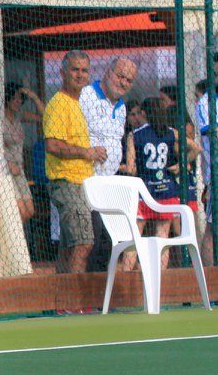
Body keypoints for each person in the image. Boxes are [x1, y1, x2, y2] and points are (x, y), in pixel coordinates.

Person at [43, 50, 104, 274]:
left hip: (81, 183)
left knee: (69, 246)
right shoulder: (59, 104)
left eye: (84, 70)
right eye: (75, 69)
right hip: (68, 182)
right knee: (83, 243)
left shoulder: (75, 103)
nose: (80, 75)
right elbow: (52, 145)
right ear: (62, 73)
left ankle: (60, 293)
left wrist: (92, 153)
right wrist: (86, 153)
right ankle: (75, 295)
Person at [121, 98, 198, 270]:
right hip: (167, 191)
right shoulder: (170, 132)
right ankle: (160, 278)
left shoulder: (135, 135)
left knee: (135, 236)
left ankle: (126, 275)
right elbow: (196, 148)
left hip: (145, 191)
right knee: (163, 237)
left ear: (144, 113)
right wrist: (182, 164)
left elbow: (131, 169)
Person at [79, 57, 136, 271]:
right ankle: (81, 289)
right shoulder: (86, 96)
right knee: (88, 241)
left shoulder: (121, 107)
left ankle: (102, 288)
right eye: (120, 76)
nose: (123, 83)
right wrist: (88, 151)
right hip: (85, 181)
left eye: (129, 80)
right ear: (107, 73)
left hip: (108, 184)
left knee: (107, 241)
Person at [2, 81, 44, 222]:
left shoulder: (18, 115)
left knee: (29, 211)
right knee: (19, 212)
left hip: (19, 169)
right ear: (7, 98)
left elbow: (45, 117)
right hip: (5, 170)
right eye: (14, 98)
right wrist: (8, 164)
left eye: (20, 99)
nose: (17, 102)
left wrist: (33, 97)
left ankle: (16, 235)